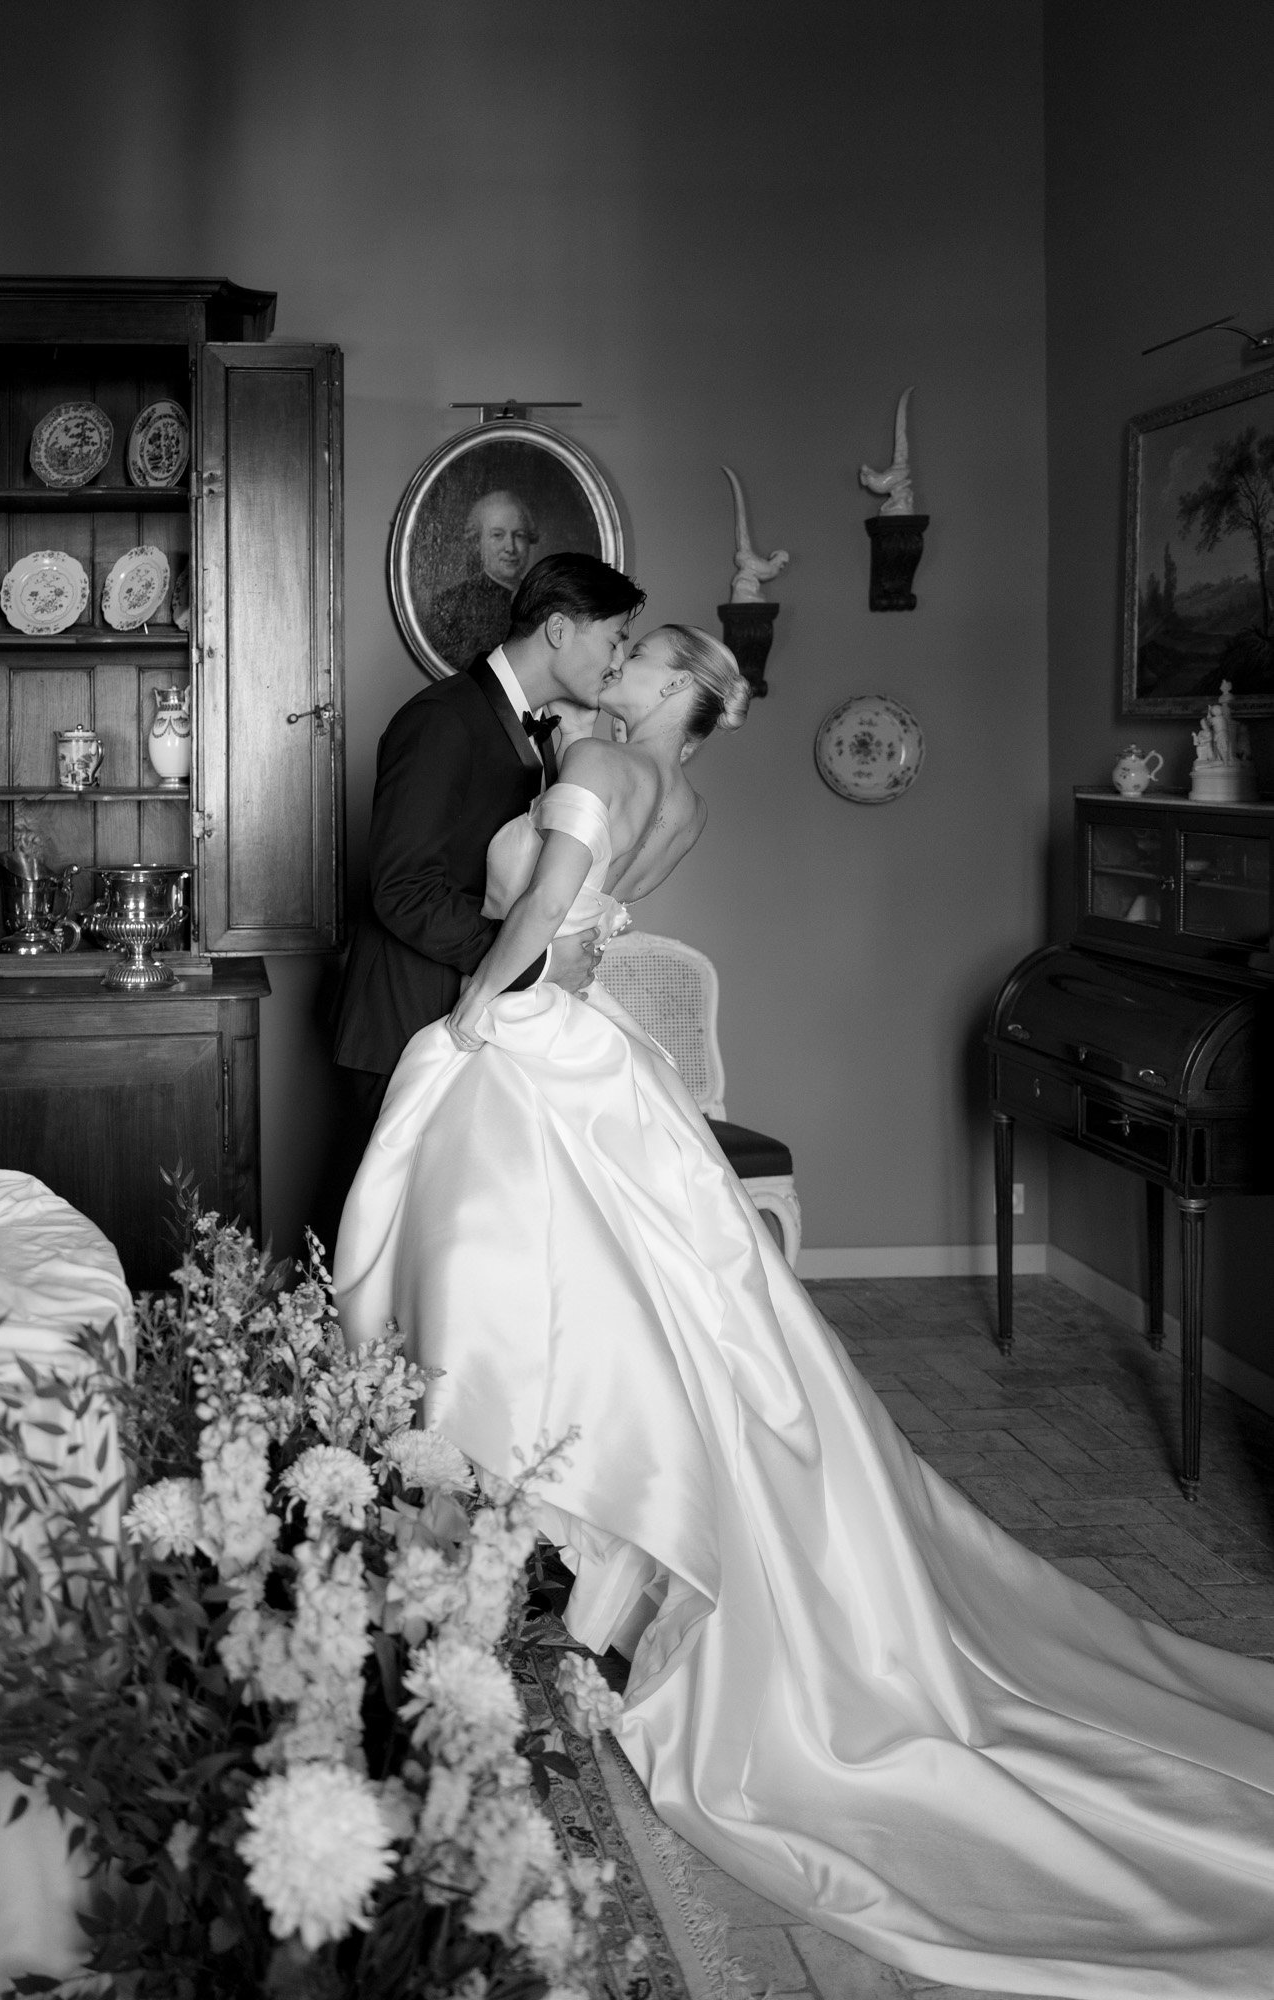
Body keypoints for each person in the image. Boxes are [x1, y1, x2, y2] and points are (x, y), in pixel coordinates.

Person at [333, 627, 1274, 2000]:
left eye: (645, 659)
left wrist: (476, 1010)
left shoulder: (594, 754)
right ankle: (572, 1557)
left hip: (533, 1040)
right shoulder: (687, 790)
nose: (623, 669)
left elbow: (544, 919)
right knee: (636, 1319)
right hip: (598, 1052)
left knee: (518, 1297)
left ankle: (547, 1554)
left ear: (676, 696)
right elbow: (605, 910)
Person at [329, 551, 646, 1130]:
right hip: (407, 1021)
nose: (618, 662)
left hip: (475, 1024)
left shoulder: (546, 731)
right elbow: (402, 889)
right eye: (615, 640)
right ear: (558, 629)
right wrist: (535, 962)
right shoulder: (442, 719)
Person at [426, 489, 539, 670]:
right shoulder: (450, 605)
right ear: (478, 542)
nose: (510, 547)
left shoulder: (544, 600)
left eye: (519, 535)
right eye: (497, 535)